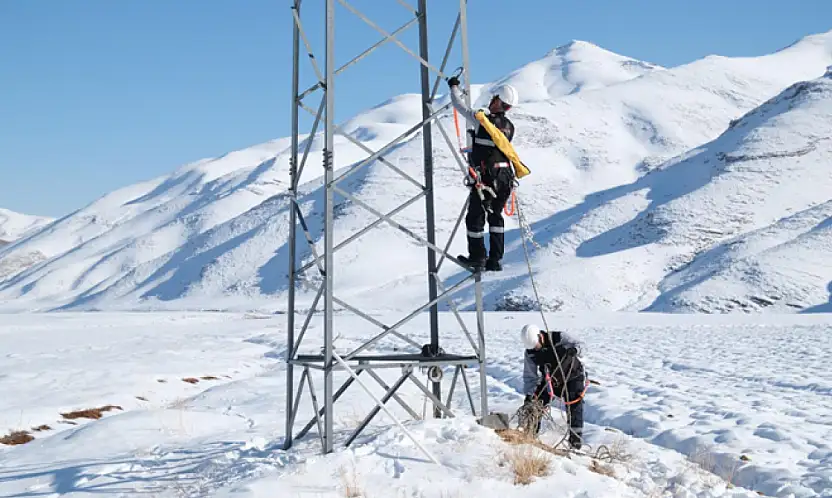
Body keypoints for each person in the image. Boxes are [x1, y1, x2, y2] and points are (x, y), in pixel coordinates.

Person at [447, 75, 519, 272]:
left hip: (487, 179)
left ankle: (477, 257)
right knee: (495, 216)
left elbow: (459, 106)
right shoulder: (510, 127)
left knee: (475, 218)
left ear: (497, 100)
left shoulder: (483, 121)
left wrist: (454, 87)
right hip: (505, 178)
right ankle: (495, 260)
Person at [519, 323, 586, 449]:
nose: (536, 349)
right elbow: (530, 377)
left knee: (574, 404)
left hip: (573, 376)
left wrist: (574, 350)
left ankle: (575, 442)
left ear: (540, 337)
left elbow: (581, 345)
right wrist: (529, 395)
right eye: (533, 347)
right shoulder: (530, 353)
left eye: (536, 345)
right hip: (551, 379)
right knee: (535, 404)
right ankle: (530, 436)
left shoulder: (559, 337)